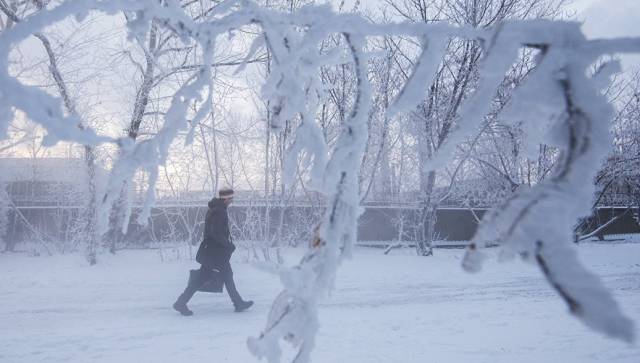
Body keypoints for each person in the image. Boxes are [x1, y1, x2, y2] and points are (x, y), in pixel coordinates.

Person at [173, 188, 253, 316]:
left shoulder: (215, 209)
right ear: (226, 198)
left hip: (214, 251)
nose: (232, 201)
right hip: (216, 252)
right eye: (231, 198)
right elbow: (215, 233)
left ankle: (238, 303)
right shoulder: (219, 211)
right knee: (209, 277)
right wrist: (228, 245)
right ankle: (181, 302)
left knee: (222, 276)